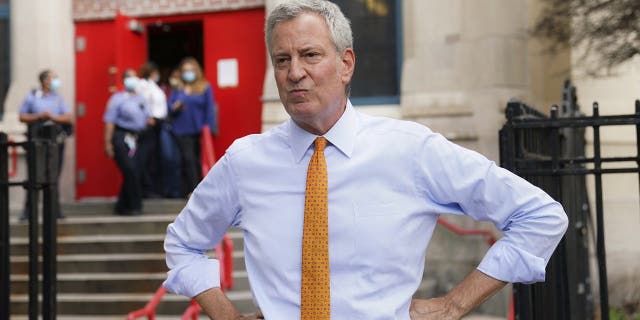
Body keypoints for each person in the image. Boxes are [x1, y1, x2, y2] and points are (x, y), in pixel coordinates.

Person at [163, 1, 569, 319]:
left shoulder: (410, 150)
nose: (294, 73)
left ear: (346, 64)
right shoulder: (245, 161)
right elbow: (183, 242)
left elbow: (540, 216)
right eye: (282, 60)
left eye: (309, 55)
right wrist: (225, 314)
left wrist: (454, 305)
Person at [18, 69, 73, 220]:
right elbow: (22, 116)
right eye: (53, 78)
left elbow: (68, 117)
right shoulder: (32, 96)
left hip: (55, 142)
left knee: (54, 176)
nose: (56, 81)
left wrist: (53, 117)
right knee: (34, 175)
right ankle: (28, 212)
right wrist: (39, 116)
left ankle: (55, 212)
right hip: (36, 141)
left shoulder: (59, 98)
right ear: (44, 81)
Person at [103, 69, 153, 216]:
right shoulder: (117, 99)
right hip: (122, 136)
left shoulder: (141, 99)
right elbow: (109, 121)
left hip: (139, 138)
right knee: (129, 169)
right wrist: (107, 143)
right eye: (129, 77)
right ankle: (135, 205)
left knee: (136, 170)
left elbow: (147, 117)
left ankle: (122, 205)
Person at [167, 57, 217, 196]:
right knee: (186, 159)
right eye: (185, 71)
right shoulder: (178, 88)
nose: (188, 73)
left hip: (198, 129)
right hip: (179, 130)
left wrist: (209, 127)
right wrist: (178, 102)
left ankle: (197, 189)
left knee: (196, 160)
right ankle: (192, 190)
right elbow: (170, 108)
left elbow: (209, 109)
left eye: (191, 70)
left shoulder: (205, 86)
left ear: (196, 71)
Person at [136, 62, 167, 198]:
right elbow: (141, 104)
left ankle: (152, 188)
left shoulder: (153, 86)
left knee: (153, 157)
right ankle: (146, 189)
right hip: (148, 124)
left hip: (158, 124)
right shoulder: (142, 85)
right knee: (146, 157)